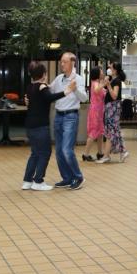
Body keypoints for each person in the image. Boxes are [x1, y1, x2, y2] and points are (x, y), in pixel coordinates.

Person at [23, 62, 77, 191]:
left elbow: (34, 99)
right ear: (43, 75)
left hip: (30, 126)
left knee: (35, 153)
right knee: (45, 153)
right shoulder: (42, 87)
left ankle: (27, 181)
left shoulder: (30, 87)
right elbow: (50, 97)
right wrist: (67, 91)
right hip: (40, 126)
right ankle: (38, 181)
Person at [49, 52, 88, 190]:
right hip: (58, 116)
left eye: (64, 61)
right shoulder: (59, 78)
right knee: (59, 150)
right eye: (61, 61)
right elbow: (49, 90)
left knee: (66, 149)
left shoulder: (78, 79)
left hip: (71, 117)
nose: (62, 64)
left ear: (72, 63)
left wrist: (75, 88)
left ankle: (78, 177)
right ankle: (67, 178)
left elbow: (84, 98)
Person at [96, 62, 129, 163]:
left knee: (111, 131)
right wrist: (104, 82)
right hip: (110, 107)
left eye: (110, 67)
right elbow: (98, 90)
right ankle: (121, 151)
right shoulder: (112, 79)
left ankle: (108, 155)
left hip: (113, 107)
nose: (108, 69)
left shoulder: (117, 81)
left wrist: (108, 85)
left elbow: (114, 95)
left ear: (115, 70)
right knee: (113, 130)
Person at [82, 66, 106, 162]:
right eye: (101, 72)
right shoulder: (95, 83)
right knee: (93, 132)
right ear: (97, 74)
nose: (102, 73)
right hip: (95, 111)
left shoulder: (98, 83)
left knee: (100, 132)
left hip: (99, 111)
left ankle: (100, 152)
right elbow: (96, 90)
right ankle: (85, 154)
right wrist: (103, 84)